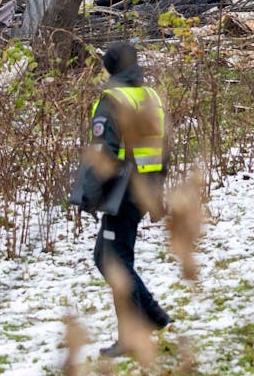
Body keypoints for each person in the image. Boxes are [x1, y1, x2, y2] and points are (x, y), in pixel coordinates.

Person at [69, 41, 171, 356]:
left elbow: (104, 153)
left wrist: (88, 194)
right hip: (144, 189)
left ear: (110, 67)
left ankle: (136, 331)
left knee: (114, 260)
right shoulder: (150, 96)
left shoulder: (112, 99)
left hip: (122, 191)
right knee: (106, 255)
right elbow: (164, 149)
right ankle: (152, 314)